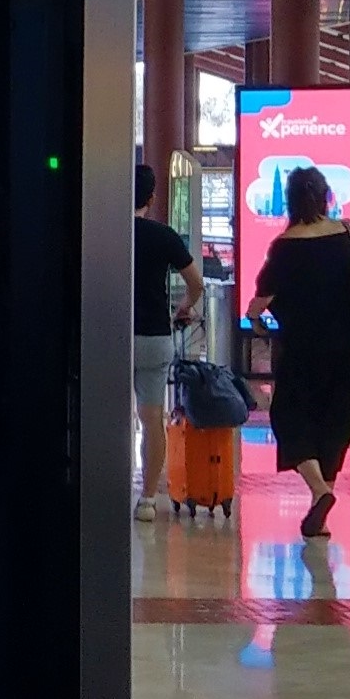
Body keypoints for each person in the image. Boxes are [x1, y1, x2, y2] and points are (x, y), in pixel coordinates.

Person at [248, 161, 350, 540]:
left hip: (302, 350)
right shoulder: (347, 235)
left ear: (290, 201)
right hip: (349, 347)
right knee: (336, 421)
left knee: (290, 418)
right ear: (325, 197)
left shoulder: (285, 246)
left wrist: (256, 320)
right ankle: (321, 508)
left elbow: (260, 301)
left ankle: (320, 490)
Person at [133, 157, 199, 520]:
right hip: (154, 336)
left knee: (109, 416)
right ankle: (147, 499)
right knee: (151, 418)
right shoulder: (164, 236)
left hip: (111, 335)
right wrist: (183, 308)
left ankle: (104, 490)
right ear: (152, 197)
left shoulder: (105, 233)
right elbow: (196, 284)